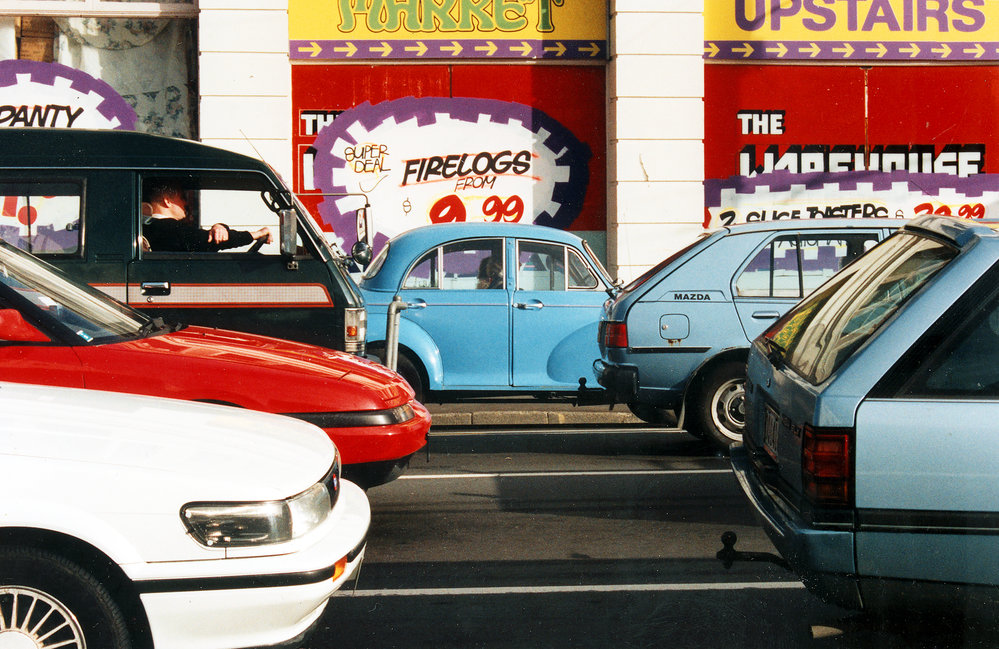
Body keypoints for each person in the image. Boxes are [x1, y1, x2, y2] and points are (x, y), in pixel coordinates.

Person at [142, 183, 272, 252]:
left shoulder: (148, 226)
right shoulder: (168, 228)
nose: (186, 203)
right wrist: (257, 234)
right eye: (182, 198)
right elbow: (211, 240)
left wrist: (219, 226)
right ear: (168, 201)